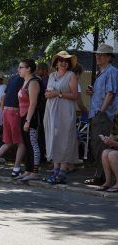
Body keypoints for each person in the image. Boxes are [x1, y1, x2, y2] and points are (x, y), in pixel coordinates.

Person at [43, 51, 79, 184]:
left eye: (66, 61)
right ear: (56, 63)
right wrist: (48, 94)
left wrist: (58, 93)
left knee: (65, 139)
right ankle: (56, 171)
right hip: (51, 111)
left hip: (65, 111)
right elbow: (47, 92)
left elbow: (75, 95)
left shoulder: (71, 75)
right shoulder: (52, 75)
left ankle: (62, 172)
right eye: (61, 60)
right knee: (54, 138)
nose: (63, 63)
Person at [85, 44, 118, 186]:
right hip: (97, 113)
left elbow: (111, 93)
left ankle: (104, 177)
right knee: (96, 145)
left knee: (101, 145)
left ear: (109, 57)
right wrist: (93, 93)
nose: (98, 56)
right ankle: (101, 175)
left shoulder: (111, 71)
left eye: (102, 54)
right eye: (97, 54)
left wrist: (101, 111)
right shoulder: (102, 72)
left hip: (103, 115)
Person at [0, 74, 25, 177]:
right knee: (22, 142)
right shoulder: (25, 79)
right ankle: (16, 169)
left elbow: (3, 97)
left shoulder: (12, 78)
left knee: (8, 141)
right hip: (15, 112)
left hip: (6, 111)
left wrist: (2, 111)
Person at [16, 59, 42, 181]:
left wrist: (27, 121)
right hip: (23, 116)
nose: (18, 70)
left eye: (21, 67)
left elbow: (33, 103)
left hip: (31, 117)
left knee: (33, 143)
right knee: (26, 144)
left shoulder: (33, 82)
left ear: (29, 69)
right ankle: (28, 170)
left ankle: (35, 172)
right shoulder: (25, 82)